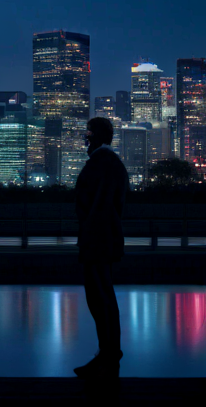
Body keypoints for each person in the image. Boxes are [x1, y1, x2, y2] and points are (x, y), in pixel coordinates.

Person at [74, 117, 129, 378]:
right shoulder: (108, 161)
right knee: (100, 297)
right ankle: (107, 354)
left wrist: (88, 237)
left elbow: (100, 206)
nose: (84, 138)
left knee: (101, 298)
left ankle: (109, 356)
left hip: (97, 240)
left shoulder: (103, 162)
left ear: (96, 135)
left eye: (87, 133)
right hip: (101, 238)